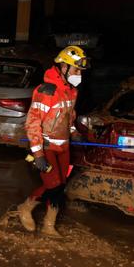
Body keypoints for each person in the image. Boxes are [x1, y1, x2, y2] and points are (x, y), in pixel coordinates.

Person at [17, 45, 89, 237]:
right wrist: (38, 154)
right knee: (53, 185)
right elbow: (32, 123)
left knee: (60, 185)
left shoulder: (71, 91)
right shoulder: (46, 91)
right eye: (76, 70)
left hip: (63, 146)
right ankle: (26, 207)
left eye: (80, 71)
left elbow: (68, 117)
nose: (79, 74)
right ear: (63, 67)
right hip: (46, 146)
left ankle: (49, 225)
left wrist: (73, 132)